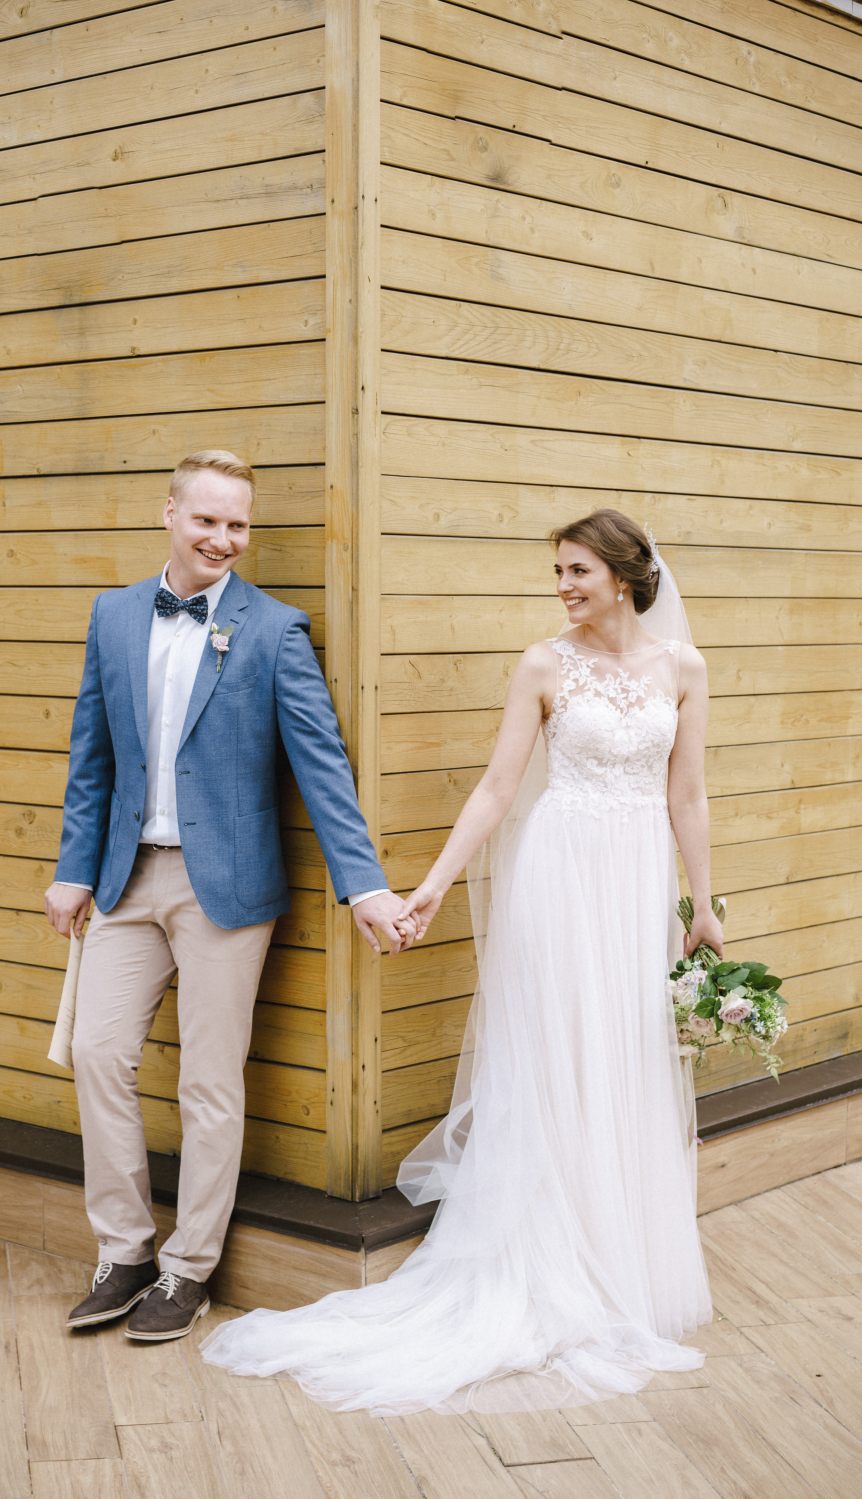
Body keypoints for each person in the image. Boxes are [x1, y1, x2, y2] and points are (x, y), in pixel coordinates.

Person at [200, 509, 721, 1413]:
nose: (562, 585)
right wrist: (434, 885)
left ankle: (619, 1252)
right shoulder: (543, 664)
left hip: (637, 880)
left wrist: (702, 904)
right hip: (559, 874)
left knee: (624, 1054)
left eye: (577, 570)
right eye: (558, 570)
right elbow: (496, 787)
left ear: (625, 575)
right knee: (558, 1053)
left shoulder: (684, 668)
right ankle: (551, 1251)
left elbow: (690, 794)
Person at [45, 450, 414, 1342]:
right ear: (170, 513)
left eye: (238, 524)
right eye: (207, 519)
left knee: (209, 1080)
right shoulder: (114, 615)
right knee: (96, 1052)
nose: (223, 538)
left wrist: (364, 885)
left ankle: (188, 1267)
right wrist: (73, 867)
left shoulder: (276, 630)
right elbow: (92, 755)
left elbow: (322, 768)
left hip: (227, 890)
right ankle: (125, 1249)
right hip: (126, 877)